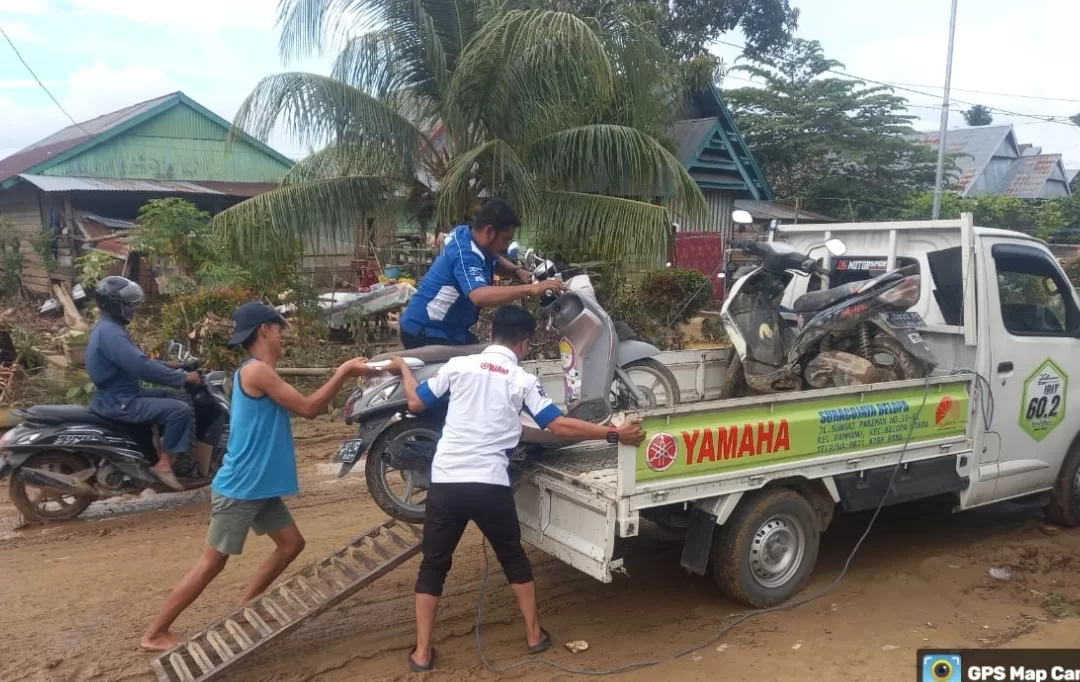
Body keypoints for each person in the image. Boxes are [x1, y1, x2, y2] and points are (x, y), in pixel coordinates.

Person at [386, 305, 647, 672]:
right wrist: (613, 434)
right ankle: (533, 635)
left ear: (491, 332)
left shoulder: (458, 367)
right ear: (525, 344)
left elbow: (415, 402)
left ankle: (423, 653)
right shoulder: (520, 379)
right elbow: (557, 426)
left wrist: (402, 369)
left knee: (433, 566)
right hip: (489, 484)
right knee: (513, 559)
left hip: (446, 482)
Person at [139, 301, 377, 652]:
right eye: (279, 330)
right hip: (241, 486)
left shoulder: (258, 372)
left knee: (291, 544)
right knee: (212, 563)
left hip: (258, 486)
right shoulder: (256, 372)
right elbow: (310, 409)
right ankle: (155, 633)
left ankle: (247, 606)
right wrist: (343, 371)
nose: (282, 337)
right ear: (265, 330)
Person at [398, 199, 564, 349]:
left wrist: (516, 271)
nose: (507, 246)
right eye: (506, 239)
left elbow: (494, 259)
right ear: (489, 232)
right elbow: (479, 295)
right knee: (477, 371)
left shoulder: (469, 237)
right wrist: (531, 289)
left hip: (450, 331)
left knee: (483, 357)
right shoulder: (465, 254)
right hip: (425, 332)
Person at [87, 276, 200, 491]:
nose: (133, 308)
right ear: (114, 303)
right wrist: (181, 377)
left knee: (174, 396)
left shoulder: (109, 328)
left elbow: (135, 361)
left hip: (121, 394)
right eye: (128, 303)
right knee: (179, 410)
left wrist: (169, 365)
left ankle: (164, 451)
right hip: (120, 400)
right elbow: (140, 366)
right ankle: (164, 464)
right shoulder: (111, 333)